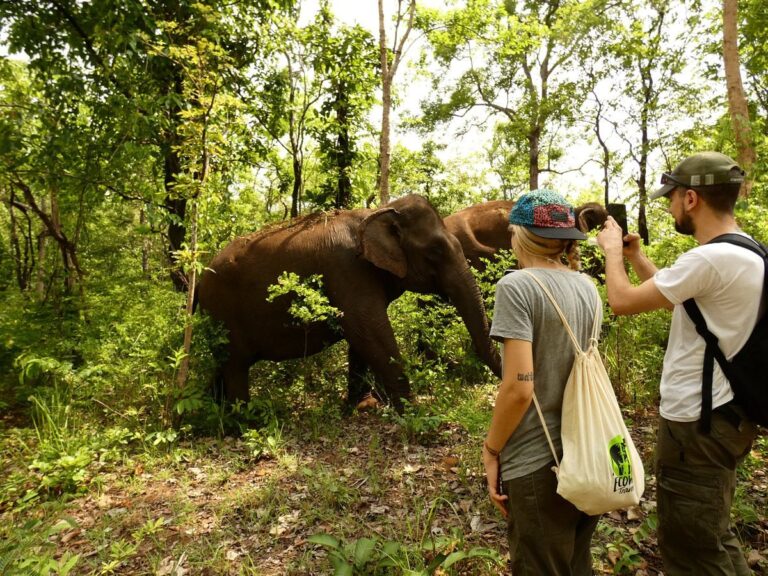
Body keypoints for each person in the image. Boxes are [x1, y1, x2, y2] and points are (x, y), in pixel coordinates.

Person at [596, 151, 760, 575]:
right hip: (728, 418)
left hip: (697, 427)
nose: (669, 206)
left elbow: (621, 301)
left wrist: (612, 252)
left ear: (691, 199)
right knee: (713, 534)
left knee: (692, 551)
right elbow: (685, 302)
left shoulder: (709, 259)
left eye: (671, 198)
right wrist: (635, 258)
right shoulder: (747, 252)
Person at [483, 188, 602, 575]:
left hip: (537, 462)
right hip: (587, 454)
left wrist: (491, 449)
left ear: (519, 234)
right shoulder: (587, 287)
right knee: (575, 563)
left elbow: (519, 387)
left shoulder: (517, 287)